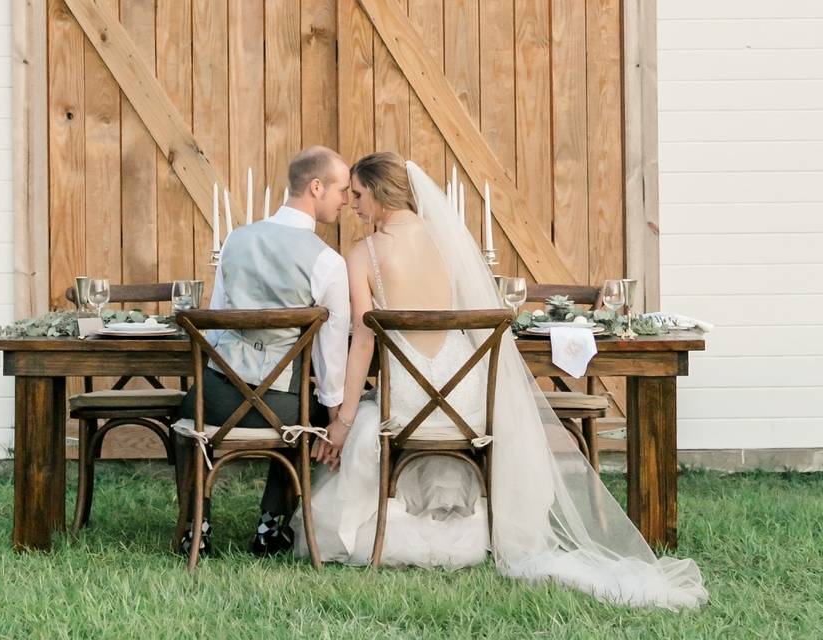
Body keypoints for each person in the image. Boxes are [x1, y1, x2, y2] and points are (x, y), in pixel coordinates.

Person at [295, 152, 707, 610]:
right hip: (467, 399)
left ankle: (394, 524)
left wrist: (344, 420)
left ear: (379, 191)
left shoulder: (362, 253)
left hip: (408, 402)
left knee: (370, 420)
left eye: (357, 194)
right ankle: (474, 523)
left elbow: (364, 343)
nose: (352, 204)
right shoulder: (450, 243)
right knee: (385, 412)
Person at [176, 146, 351, 557]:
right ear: (316, 187)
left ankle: (195, 528)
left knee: (186, 407)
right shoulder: (327, 262)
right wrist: (331, 414)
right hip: (285, 407)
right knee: (312, 412)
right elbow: (331, 353)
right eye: (341, 190)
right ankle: (270, 528)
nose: (344, 200)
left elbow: (217, 323)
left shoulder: (236, 240)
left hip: (216, 402)